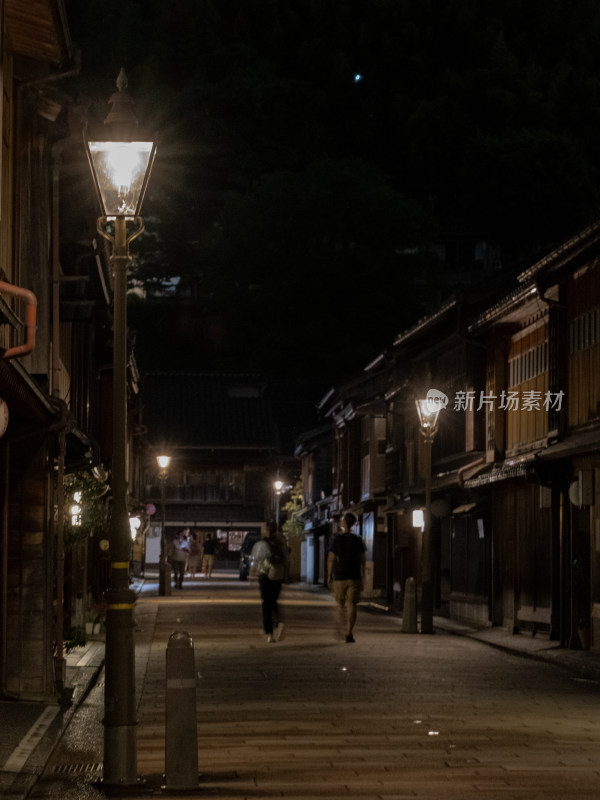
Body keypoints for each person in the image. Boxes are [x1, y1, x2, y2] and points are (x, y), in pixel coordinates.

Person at [327, 512, 366, 643]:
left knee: (340, 605)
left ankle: (340, 627)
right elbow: (362, 560)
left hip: (339, 576)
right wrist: (363, 577)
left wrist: (329, 575)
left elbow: (331, 558)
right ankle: (349, 632)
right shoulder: (358, 539)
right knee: (352, 605)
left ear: (344, 523)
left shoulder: (336, 539)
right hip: (354, 576)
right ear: (354, 524)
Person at [250, 521, 288, 643]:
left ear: (267, 530)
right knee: (274, 601)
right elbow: (286, 560)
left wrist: (252, 573)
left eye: (263, 529)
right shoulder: (281, 543)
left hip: (265, 576)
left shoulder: (261, 544)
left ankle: (269, 633)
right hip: (277, 575)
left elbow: (256, 561)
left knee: (266, 604)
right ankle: (279, 622)